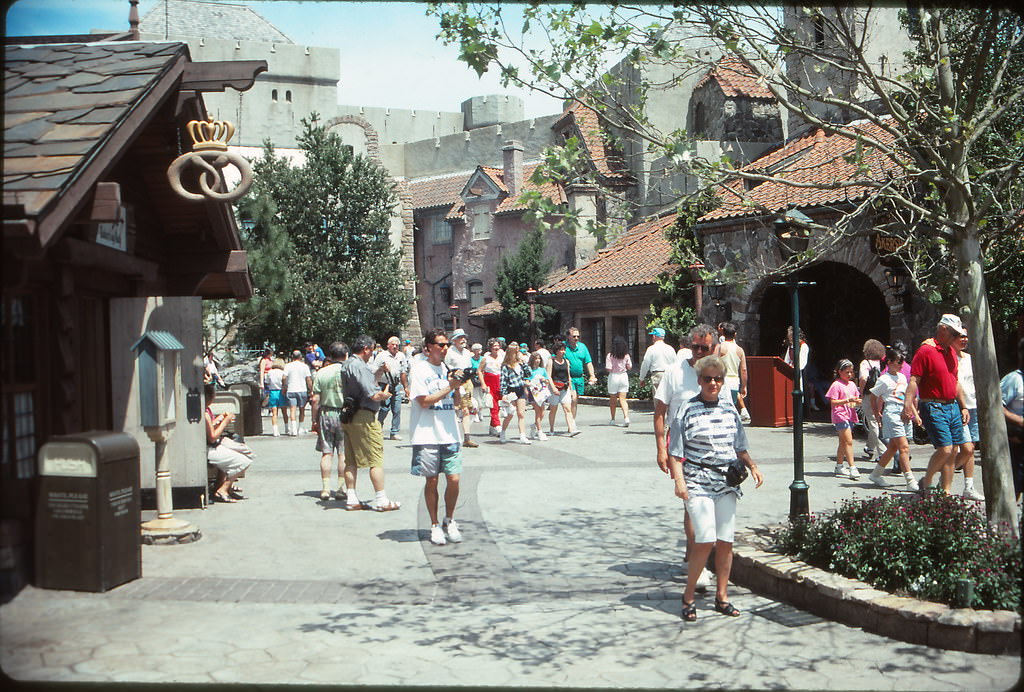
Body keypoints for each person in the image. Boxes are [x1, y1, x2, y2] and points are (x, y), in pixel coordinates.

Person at [668, 355, 763, 621]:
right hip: (697, 481)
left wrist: (753, 466)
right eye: (708, 378)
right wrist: (679, 482)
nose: (713, 383)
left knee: (725, 541)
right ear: (699, 380)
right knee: (706, 538)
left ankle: (722, 596)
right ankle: (688, 595)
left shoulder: (730, 409)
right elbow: (675, 453)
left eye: (717, 379)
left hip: (726, 483)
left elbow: (739, 446)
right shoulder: (686, 409)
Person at [653, 323, 727, 591]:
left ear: (713, 348)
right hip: (682, 447)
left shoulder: (717, 373)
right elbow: (660, 412)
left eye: (703, 347)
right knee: (693, 502)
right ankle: (701, 566)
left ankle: (694, 552)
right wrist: (661, 448)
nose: (697, 351)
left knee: (713, 504)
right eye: (694, 346)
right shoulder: (674, 372)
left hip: (715, 447)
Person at [409, 328, 465, 545]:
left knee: (454, 479)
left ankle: (449, 519)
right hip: (427, 434)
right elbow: (423, 401)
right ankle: (433, 525)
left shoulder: (448, 369)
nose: (444, 349)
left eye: (446, 345)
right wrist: (450, 386)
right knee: (431, 481)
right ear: (428, 347)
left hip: (450, 433)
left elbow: (457, 403)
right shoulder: (420, 370)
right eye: (440, 345)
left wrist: (457, 387)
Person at [903, 314, 970, 494]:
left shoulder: (951, 354)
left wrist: (963, 406)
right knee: (945, 448)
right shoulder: (926, 351)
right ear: (943, 330)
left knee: (953, 450)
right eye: (954, 334)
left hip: (952, 406)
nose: (957, 338)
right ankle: (927, 481)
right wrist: (907, 405)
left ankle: (945, 492)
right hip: (934, 405)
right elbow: (914, 380)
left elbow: (955, 383)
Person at [340, 334, 401, 512]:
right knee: (376, 458)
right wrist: (385, 394)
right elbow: (372, 394)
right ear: (366, 349)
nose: (372, 354)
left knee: (350, 459)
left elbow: (360, 384)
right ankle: (381, 499)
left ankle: (351, 497)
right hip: (364, 416)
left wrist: (379, 372)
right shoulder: (360, 366)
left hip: (349, 414)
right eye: (372, 350)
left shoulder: (347, 364)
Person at [866, 346, 920, 491]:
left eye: (902, 362)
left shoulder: (902, 377)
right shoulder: (883, 379)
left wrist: (914, 413)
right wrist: (877, 412)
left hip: (903, 411)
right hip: (891, 411)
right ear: (889, 362)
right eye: (898, 362)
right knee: (903, 447)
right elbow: (873, 396)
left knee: (893, 447)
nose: (901, 365)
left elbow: (907, 396)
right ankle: (910, 480)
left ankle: (876, 474)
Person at [309, 341, 349, 502]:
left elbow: (315, 400)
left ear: (330, 356)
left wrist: (314, 419)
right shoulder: (348, 372)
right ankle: (340, 488)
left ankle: (325, 488)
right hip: (344, 414)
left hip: (326, 413)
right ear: (346, 355)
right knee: (343, 453)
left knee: (327, 453)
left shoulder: (321, 373)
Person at [204, 382, 253, 503]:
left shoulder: (206, 410)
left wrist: (217, 421)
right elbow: (212, 437)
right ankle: (223, 489)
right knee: (243, 461)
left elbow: (208, 429)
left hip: (211, 445)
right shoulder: (205, 414)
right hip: (208, 448)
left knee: (247, 453)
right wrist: (225, 421)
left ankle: (226, 487)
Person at [952, 331, 984, 500]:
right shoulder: (948, 357)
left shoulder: (970, 358)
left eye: (966, 336)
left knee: (970, 449)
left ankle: (968, 487)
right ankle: (942, 478)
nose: (964, 339)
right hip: (956, 407)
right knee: (964, 448)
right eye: (960, 336)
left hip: (973, 406)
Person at [444, 329, 479, 448]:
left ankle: (467, 438)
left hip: (466, 382)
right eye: (460, 337)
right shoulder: (449, 352)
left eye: (464, 337)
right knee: (454, 409)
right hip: (455, 382)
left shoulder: (467, 352)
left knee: (466, 410)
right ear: (454, 340)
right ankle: (451, 436)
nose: (463, 339)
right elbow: (446, 367)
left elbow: (469, 366)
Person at [827, 359, 862, 478]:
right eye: (847, 372)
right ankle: (852, 467)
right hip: (840, 415)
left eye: (851, 372)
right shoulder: (836, 385)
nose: (850, 375)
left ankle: (839, 466)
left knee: (843, 442)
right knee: (848, 441)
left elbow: (856, 398)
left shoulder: (852, 384)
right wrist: (847, 400)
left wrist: (857, 401)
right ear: (839, 372)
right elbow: (833, 402)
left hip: (850, 414)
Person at [373, 336, 410, 441]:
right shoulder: (382, 356)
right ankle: (378, 429)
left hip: (396, 385)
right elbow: (374, 371)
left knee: (397, 409)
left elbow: (403, 372)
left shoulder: (401, 356)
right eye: (392, 344)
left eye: (397, 345)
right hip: (384, 384)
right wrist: (381, 368)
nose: (395, 346)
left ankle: (394, 432)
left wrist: (406, 387)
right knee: (384, 408)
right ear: (388, 345)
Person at [1000, 337, 1024, 500]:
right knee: (1015, 485)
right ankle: (1008, 522)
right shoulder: (1013, 379)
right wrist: (1019, 421)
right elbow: (996, 407)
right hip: (1018, 441)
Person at [714, 322, 750, 424]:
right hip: (734, 381)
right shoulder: (740, 350)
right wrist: (744, 386)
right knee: (731, 406)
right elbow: (743, 370)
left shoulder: (720, 347)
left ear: (723, 334)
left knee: (720, 408)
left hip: (721, 380)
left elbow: (713, 364)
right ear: (735, 334)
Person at [858, 339, 887, 462]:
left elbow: (864, 378)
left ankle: (882, 452)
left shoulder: (865, 363)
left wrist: (861, 392)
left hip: (869, 394)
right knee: (875, 420)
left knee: (873, 422)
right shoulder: (882, 363)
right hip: (881, 395)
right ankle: (870, 448)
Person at [498, 341, 532, 444]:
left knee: (521, 414)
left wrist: (524, 364)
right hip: (511, 390)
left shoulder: (521, 364)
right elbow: (503, 380)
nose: (517, 354)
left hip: (520, 389)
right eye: (515, 352)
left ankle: (522, 435)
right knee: (510, 413)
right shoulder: (506, 366)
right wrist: (503, 394)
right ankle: (503, 432)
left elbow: (529, 373)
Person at [546, 340, 580, 436]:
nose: (563, 352)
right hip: (555, 388)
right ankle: (551, 429)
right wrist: (553, 388)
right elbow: (548, 376)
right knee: (553, 409)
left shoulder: (566, 362)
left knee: (567, 408)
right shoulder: (551, 362)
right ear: (556, 351)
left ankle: (571, 429)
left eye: (564, 350)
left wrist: (571, 388)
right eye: (561, 350)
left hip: (565, 388)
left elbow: (568, 375)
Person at [564, 326, 597, 420]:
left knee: (575, 400)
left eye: (578, 336)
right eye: (574, 336)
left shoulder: (582, 347)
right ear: (568, 337)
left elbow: (588, 362)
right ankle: (571, 422)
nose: (576, 338)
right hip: (568, 378)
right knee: (573, 398)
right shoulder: (563, 347)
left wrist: (592, 375)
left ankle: (572, 421)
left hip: (579, 378)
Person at [783, 327, 816, 411]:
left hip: (799, 374)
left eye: (790, 334)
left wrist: (794, 367)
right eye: (789, 335)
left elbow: (802, 363)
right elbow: (786, 360)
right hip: (790, 372)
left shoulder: (803, 346)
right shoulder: (790, 346)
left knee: (799, 393)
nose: (789, 336)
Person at [638, 327, 676, 398]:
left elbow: (645, 364)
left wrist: (642, 378)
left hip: (657, 375)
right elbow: (675, 364)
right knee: (669, 399)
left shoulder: (651, 349)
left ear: (654, 336)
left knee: (658, 400)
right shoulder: (670, 349)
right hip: (669, 375)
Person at [282, 349, 313, 436]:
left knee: (292, 409)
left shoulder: (288, 366)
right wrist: (311, 390)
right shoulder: (305, 366)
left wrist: (284, 386)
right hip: (302, 389)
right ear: (300, 357)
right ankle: (300, 428)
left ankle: (293, 429)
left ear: (292, 357)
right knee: (302, 409)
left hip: (291, 389)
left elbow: (284, 377)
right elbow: (308, 379)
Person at [478, 338, 504, 436]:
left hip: (500, 382)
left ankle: (492, 426)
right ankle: (497, 426)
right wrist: (483, 384)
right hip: (490, 382)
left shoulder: (502, 357)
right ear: (490, 348)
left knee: (498, 405)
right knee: (493, 405)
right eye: (494, 346)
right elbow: (479, 371)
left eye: (497, 346)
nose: (496, 348)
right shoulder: (486, 358)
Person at [606, 335, 632, 427]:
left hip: (613, 376)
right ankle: (626, 418)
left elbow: (608, 368)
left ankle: (613, 419)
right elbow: (629, 367)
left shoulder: (610, 355)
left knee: (613, 399)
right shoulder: (626, 355)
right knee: (623, 399)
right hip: (623, 376)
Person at [525, 352, 551, 440]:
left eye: (539, 359)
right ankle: (540, 431)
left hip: (541, 392)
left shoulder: (542, 370)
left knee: (542, 412)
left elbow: (547, 380)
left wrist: (544, 380)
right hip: (533, 393)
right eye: (535, 359)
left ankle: (534, 425)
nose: (537, 361)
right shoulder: (529, 370)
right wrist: (530, 383)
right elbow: (527, 380)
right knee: (537, 411)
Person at [264, 360, 286, 437]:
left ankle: (275, 430)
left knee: (274, 413)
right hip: (281, 392)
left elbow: (267, 382)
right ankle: (286, 427)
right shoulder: (282, 372)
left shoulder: (270, 372)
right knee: (284, 411)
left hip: (272, 392)